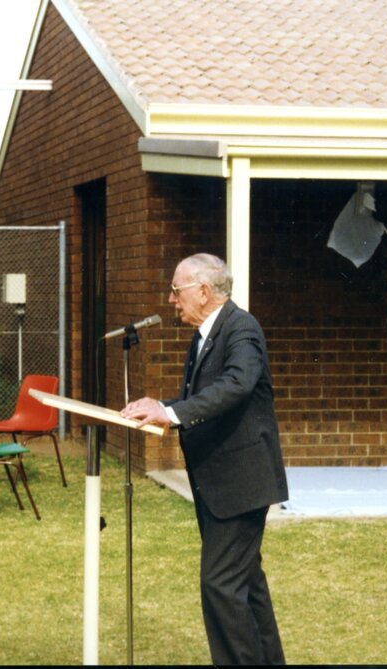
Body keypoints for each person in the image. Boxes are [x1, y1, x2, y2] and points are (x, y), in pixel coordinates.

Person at [120, 253, 289, 665]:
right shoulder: (204, 335)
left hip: (242, 484)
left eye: (176, 291)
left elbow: (238, 383)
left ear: (203, 291)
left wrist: (172, 414)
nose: (171, 300)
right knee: (246, 583)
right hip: (221, 484)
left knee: (220, 585)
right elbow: (203, 399)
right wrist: (161, 405)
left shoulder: (242, 328)